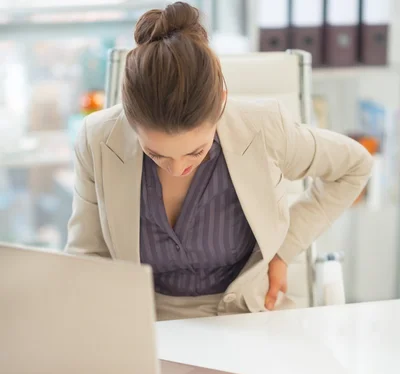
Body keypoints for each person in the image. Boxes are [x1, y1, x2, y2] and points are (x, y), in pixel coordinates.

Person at [66, 2, 373, 322]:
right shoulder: (99, 139)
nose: (177, 168)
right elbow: (87, 257)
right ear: (129, 120)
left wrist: (284, 250)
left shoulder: (262, 127)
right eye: (156, 154)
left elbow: (354, 166)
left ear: (222, 102)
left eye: (196, 152)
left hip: (249, 318)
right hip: (146, 326)